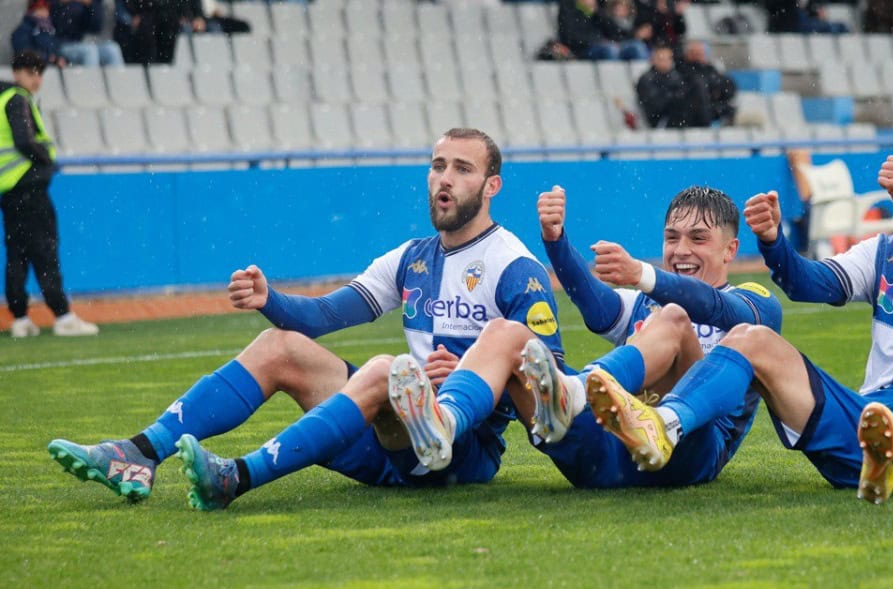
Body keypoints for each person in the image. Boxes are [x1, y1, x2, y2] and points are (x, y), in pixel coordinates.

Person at [47, 128, 566, 508]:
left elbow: (549, 380)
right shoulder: (413, 257)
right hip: (397, 433)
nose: (443, 179)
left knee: (386, 369)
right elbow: (322, 315)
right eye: (437, 165)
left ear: (492, 186)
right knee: (281, 346)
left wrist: (472, 379)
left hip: (460, 451)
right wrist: (270, 298)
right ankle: (138, 453)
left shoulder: (513, 264)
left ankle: (238, 476)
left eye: (462, 168)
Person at [590, 119, 893, 505]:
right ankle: (665, 426)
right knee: (750, 337)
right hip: (865, 428)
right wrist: (773, 242)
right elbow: (808, 284)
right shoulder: (888, 253)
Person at [381, 185, 782, 488]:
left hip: (687, 452)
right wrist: (556, 241)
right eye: (672, 237)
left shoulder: (754, 304)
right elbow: (594, 304)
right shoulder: (645, 303)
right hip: (608, 455)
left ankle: (572, 392)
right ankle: (444, 422)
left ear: (731, 250)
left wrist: (646, 277)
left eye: (698, 239)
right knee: (506, 333)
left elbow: (713, 307)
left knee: (674, 318)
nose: (680, 250)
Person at [1, 51, 98, 338]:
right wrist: (47, 159)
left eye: (39, 73)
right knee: (45, 251)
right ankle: (62, 315)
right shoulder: (18, 99)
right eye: (32, 72)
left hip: (8, 191)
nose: (37, 79)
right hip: (29, 189)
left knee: (17, 255)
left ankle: (19, 319)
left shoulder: (3, 100)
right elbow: (24, 140)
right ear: (18, 72)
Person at [556, 0, 648, 61]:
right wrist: (598, 42)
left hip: (606, 43)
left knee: (637, 46)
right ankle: (613, 85)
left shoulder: (596, 7)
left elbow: (612, 30)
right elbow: (569, 36)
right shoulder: (568, 7)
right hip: (583, 49)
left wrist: (596, 12)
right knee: (609, 50)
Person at [675, 40, 737, 126]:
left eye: (700, 52)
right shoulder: (681, 69)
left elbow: (728, 85)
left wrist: (716, 91)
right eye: (694, 52)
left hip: (712, 105)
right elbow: (694, 86)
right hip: (691, 110)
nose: (698, 55)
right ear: (688, 54)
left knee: (732, 110)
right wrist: (711, 91)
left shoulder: (710, 68)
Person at [50, 0, 125, 67]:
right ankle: (90, 82)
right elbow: (53, 28)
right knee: (90, 50)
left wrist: (91, 4)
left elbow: (96, 27)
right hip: (61, 45)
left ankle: (120, 82)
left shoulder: (83, 4)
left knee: (112, 49)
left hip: (81, 43)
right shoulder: (55, 4)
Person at [10, 0, 68, 68]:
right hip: (30, 69)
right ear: (32, 11)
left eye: (46, 9)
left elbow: (56, 48)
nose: (44, 13)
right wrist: (48, 58)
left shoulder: (49, 29)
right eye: (40, 9)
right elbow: (24, 52)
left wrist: (60, 59)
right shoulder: (23, 29)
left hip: (46, 68)